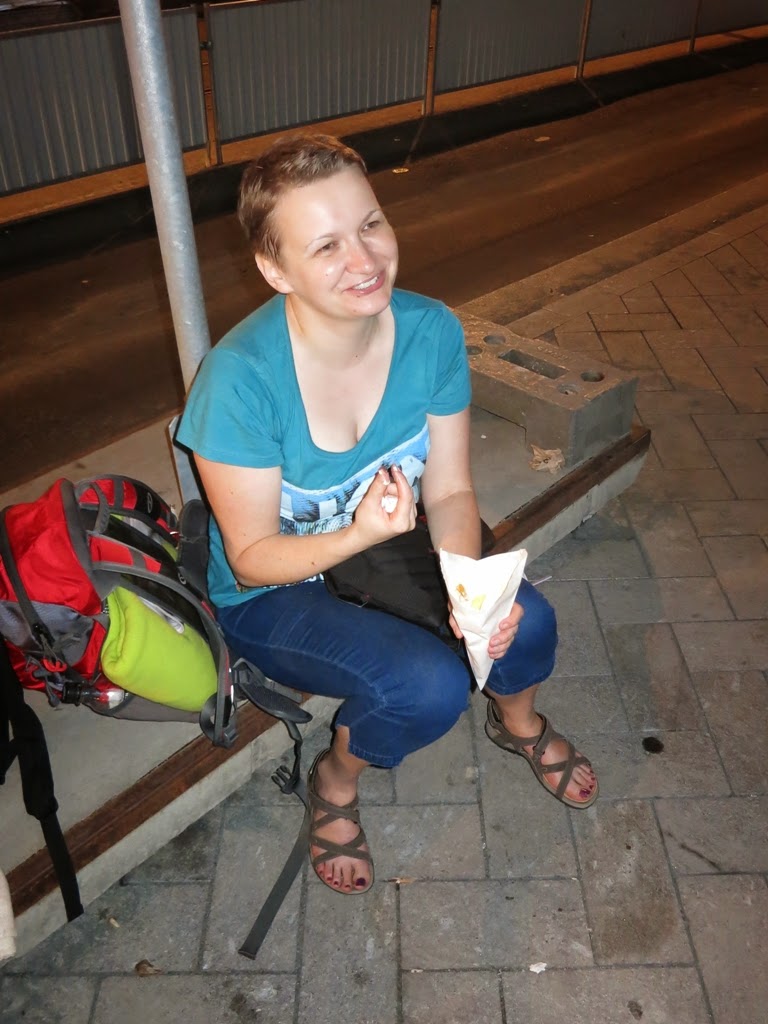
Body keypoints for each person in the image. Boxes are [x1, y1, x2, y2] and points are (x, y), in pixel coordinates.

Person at [177, 134, 597, 896]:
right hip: (274, 590)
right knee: (426, 687)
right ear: (276, 270)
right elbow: (249, 558)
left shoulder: (430, 330)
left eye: (370, 223)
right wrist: (358, 533)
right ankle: (335, 779)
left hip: (381, 546)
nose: (364, 258)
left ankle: (517, 722)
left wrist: (468, 591)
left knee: (524, 623)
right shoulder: (238, 381)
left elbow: (451, 492)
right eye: (326, 245)